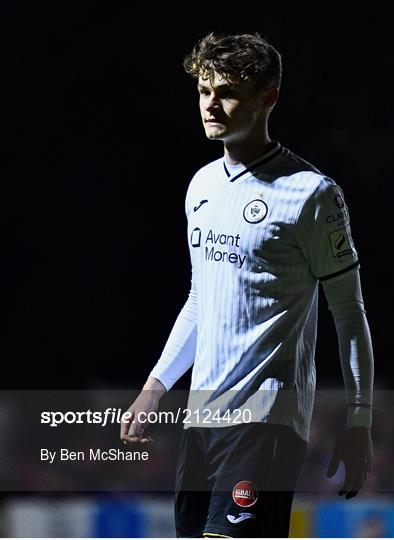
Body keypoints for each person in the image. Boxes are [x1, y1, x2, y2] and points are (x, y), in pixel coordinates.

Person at [121, 32, 374, 538]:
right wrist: (155, 386)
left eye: (228, 92)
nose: (211, 104)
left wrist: (359, 419)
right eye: (204, 91)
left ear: (268, 98)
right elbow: (201, 300)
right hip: (201, 419)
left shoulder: (312, 195)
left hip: (266, 420)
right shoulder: (202, 185)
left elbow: (349, 314)